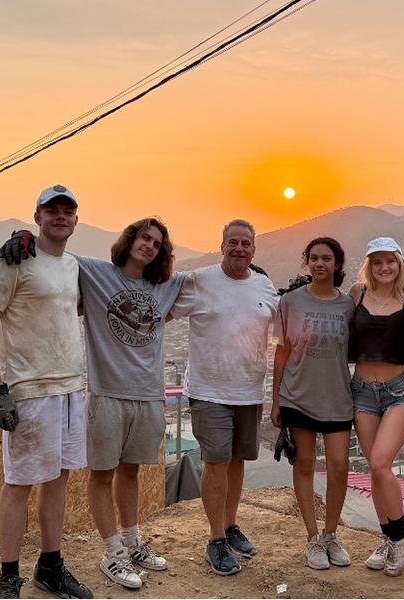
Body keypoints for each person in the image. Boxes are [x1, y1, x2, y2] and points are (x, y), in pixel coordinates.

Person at [0, 216, 185, 591]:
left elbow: (209, 282)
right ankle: (111, 550)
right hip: (107, 393)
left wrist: (253, 272)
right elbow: (55, 251)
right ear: (130, 240)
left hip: (149, 395)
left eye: (156, 242)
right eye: (143, 237)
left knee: (131, 471)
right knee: (103, 474)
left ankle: (132, 542)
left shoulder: (166, 286)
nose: (148, 245)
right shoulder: (95, 271)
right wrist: (24, 237)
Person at [0, 184, 93, 599]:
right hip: (30, 391)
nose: (61, 215)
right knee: (19, 484)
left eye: (68, 210)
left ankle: (50, 566)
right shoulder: (14, 259)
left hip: (70, 388)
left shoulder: (73, 265)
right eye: (51, 209)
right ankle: (8, 577)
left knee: (58, 481)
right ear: (37, 216)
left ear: (76, 219)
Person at [170, 219, 279, 576]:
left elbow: (285, 327)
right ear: (221, 246)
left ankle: (230, 526)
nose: (239, 248)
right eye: (232, 242)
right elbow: (164, 305)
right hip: (208, 390)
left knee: (236, 461)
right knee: (216, 462)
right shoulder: (200, 280)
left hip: (249, 390)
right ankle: (215, 538)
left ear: (254, 250)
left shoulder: (264, 285)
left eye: (246, 243)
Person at [270, 237, 356, 570]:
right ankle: (312, 538)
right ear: (307, 262)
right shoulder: (290, 302)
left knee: (338, 467)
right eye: (314, 258)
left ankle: (331, 534)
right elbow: (281, 352)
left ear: (337, 264)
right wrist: (276, 399)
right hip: (298, 396)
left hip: (337, 397)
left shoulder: (348, 306)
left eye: (327, 259)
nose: (320, 264)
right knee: (304, 464)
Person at [347, 237, 404, 576]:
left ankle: (402, 536)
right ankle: (390, 539)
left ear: (399, 263)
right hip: (361, 390)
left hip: (398, 392)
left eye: (390, 261)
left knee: (380, 463)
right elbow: (347, 340)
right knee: (374, 472)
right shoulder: (356, 294)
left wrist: (386, 358)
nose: (384, 267)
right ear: (369, 265)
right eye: (377, 262)